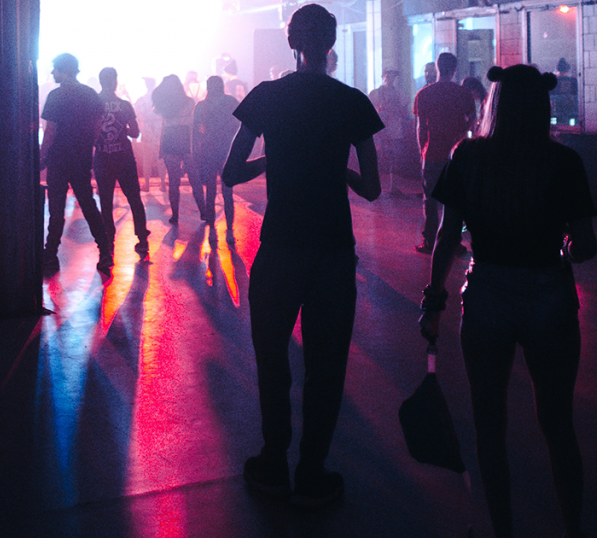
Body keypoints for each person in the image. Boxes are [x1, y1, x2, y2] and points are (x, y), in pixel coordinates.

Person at [419, 64, 597, 538]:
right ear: (542, 105)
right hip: (549, 295)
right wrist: (564, 246)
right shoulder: (564, 162)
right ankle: (574, 528)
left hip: (488, 294)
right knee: (558, 425)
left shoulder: (468, 156)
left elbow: (447, 235)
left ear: (494, 103)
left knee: (489, 424)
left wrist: (433, 300)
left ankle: (502, 530)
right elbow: (585, 246)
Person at [222, 3, 382, 509]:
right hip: (332, 250)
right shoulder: (352, 102)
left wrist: (273, 159)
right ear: (330, 45)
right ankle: (312, 471)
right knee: (326, 365)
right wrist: (338, 172)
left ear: (291, 42)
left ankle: (273, 462)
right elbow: (373, 188)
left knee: (273, 359)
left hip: (280, 247)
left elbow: (230, 172)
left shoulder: (266, 97)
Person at [40, 53, 113, 276]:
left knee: (56, 209)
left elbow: (50, 131)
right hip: (81, 158)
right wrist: (87, 145)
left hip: (58, 158)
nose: (53, 73)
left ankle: (50, 255)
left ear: (62, 70)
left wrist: (42, 156)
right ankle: (105, 251)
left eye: (55, 69)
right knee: (88, 205)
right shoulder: (89, 93)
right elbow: (97, 126)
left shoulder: (56, 95)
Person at [413, 52, 473, 254]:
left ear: (437, 68)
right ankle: (453, 241)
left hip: (431, 153)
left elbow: (421, 127)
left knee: (430, 200)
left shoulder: (424, 94)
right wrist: (462, 134)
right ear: (454, 69)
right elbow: (472, 119)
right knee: (454, 201)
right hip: (457, 156)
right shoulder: (463, 93)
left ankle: (430, 241)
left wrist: (421, 151)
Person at [94, 67, 150, 259]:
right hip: (124, 158)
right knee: (134, 199)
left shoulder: (93, 104)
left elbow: (89, 133)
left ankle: (109, 242)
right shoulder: (125, 105)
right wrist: (122, 130)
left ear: (101, 81)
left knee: (105, 201)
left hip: (103, 158)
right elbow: (135, 132)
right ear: (115, 82)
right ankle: (142, 239)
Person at [193, 75, 239, 235]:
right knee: (228, 191)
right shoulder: (231, 102)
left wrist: (199, 146)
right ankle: (229, 228)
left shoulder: (201, 106)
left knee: (210, 191)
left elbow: (194, 132)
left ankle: (212, 226)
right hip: (227, 149)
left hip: (208, 150)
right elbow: (240, 124)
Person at [153, 74, 202, 225]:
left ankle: (175, 215)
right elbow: (194, 125)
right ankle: (204, 212)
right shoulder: (189, 102)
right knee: (195, 180)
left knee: (173, 182)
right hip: (187, 143)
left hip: (170, 143)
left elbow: (164, 128)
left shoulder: (164, 105)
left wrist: (161, 148)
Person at [369, 70, 409, 193]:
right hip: (379, 131)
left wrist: (394, 109)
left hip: (395, 131)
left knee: (395, 158)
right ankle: (373, 185)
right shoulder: (375, 93)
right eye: (387, 77)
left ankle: (393, 187)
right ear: (383, 77)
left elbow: (405, 111)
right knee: (378, 158)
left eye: (393, 77)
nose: (390, 80)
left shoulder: (400, 94)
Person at [133, 77, 163, 192]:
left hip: (146, 130)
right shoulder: (160, 100)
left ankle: (147, 184)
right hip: (159, 130)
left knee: (147, 158)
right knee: (160, 158)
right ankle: (163, 184)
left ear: (146, 85)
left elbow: (137, 116)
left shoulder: (141, 100)